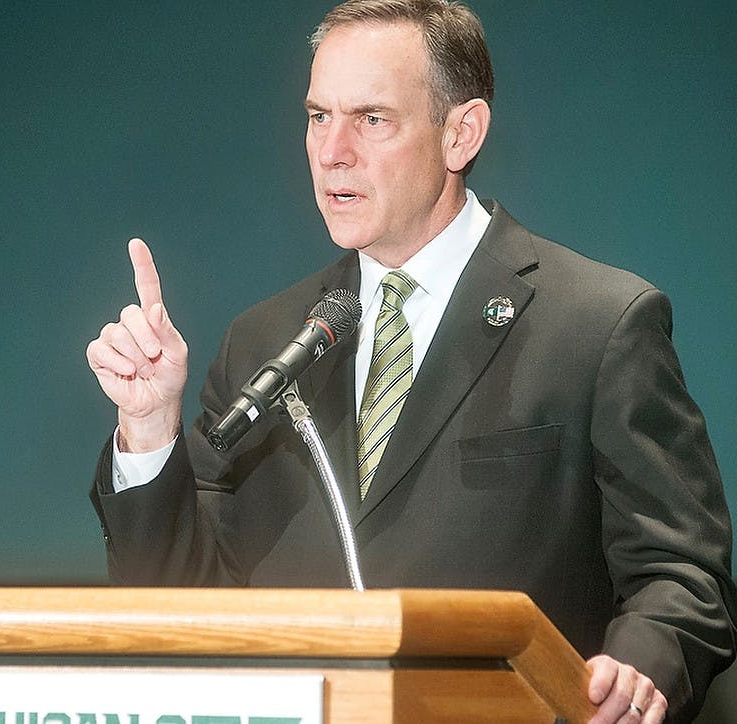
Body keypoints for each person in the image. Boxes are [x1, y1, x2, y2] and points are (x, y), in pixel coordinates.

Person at [85, 1, 736, 721]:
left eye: (371, 119)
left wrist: (640, 672)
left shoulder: (596, 325)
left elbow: (682, 577)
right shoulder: (264, 343)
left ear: (461, 133)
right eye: (316, 116)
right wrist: (147, 431)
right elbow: (182, 614)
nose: (332, 150)